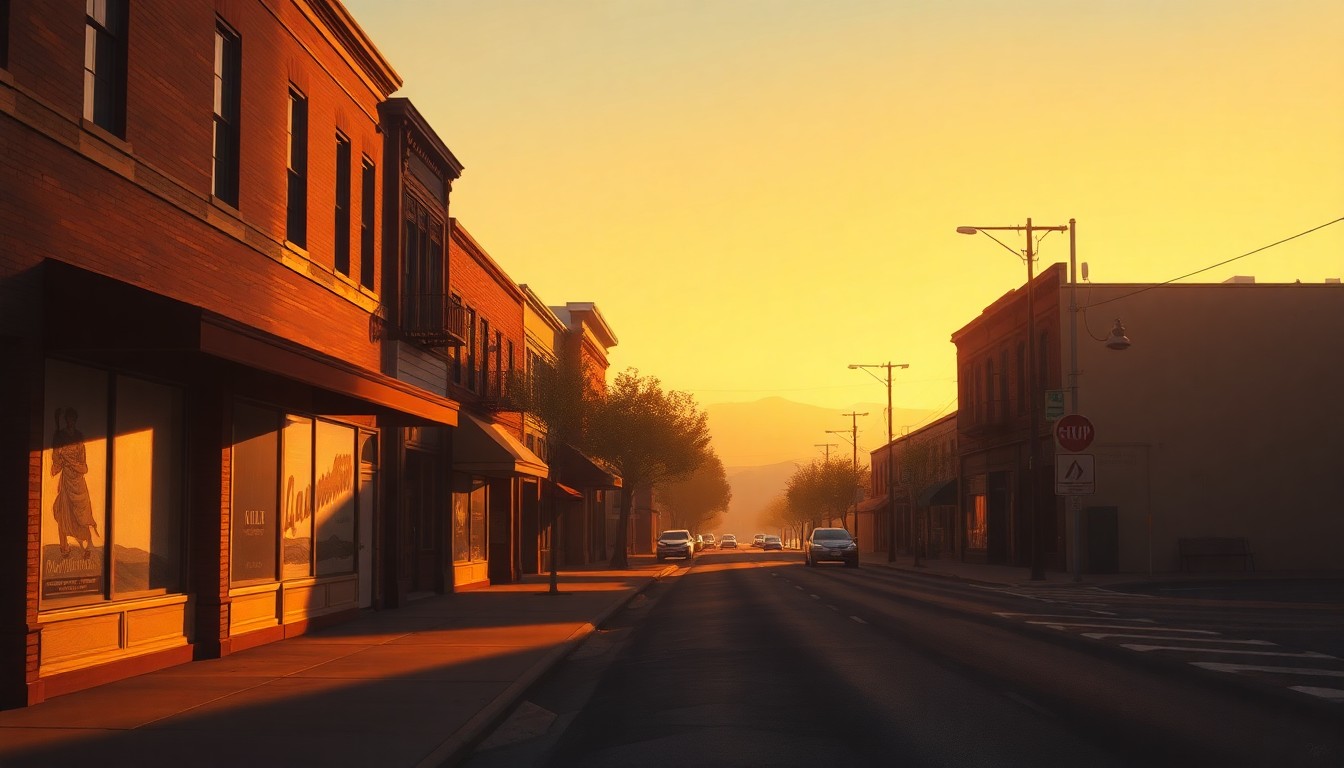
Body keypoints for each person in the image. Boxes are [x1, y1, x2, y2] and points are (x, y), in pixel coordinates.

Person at [51, 407, 99, 558]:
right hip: (67, 481)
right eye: (68, 419)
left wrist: (73, 464)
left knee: (82, 513)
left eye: (73, 418)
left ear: (75, 420)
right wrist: (59, 453)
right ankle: (64, 547)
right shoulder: (60, 436)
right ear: (66, 420)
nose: (70, 421)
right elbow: (56, 459)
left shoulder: (79, 437)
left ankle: (88, 546)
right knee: (64, 512)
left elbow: (83, 464)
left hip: (78, 481)